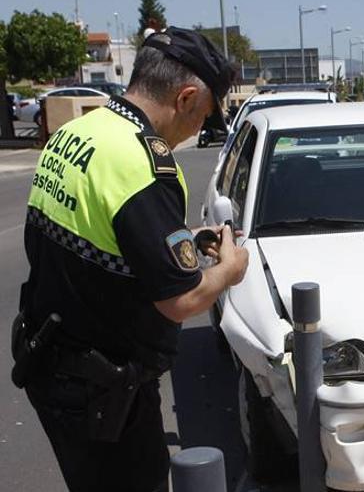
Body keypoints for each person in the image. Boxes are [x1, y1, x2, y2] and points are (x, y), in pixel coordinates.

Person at [15, 27, 249, 492]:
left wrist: (180, 237)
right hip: (103, 397)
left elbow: (101, 229)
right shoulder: (143, 165)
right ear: (185, 98)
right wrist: (229, 269)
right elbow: (182, 300)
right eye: (203, 117)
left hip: (49, 362)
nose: (198, 130)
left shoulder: (77, 133)